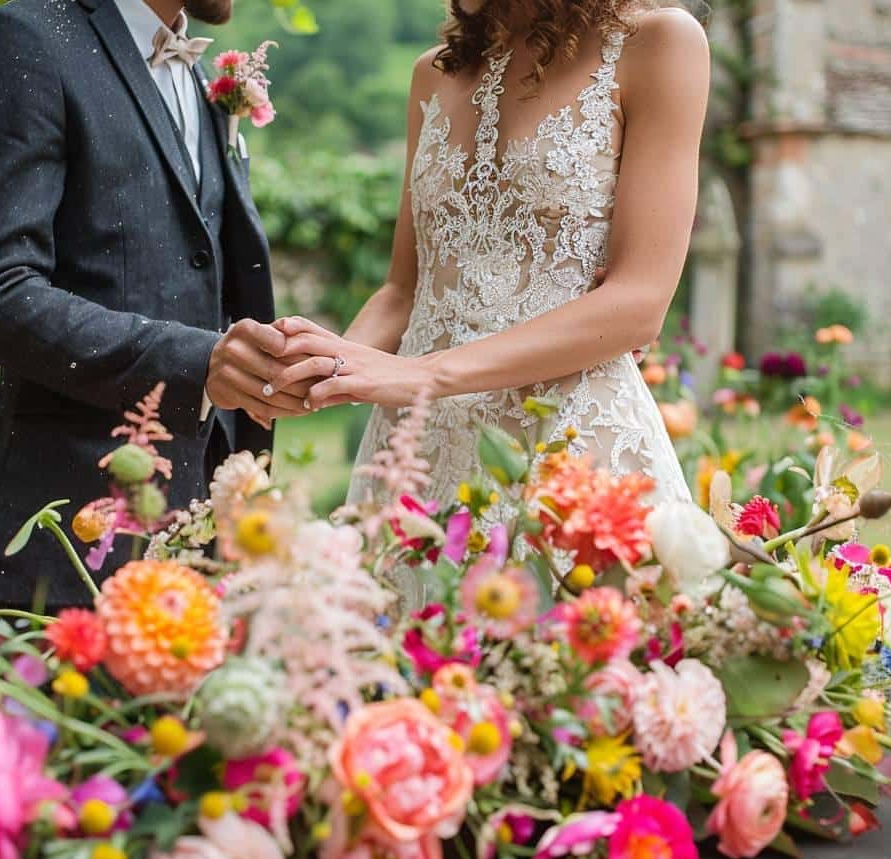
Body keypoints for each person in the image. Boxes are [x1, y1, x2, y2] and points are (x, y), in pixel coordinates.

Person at [265, 0, 705, 507]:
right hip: (415, 461)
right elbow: (404, 291)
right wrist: (324, 368)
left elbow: (639, 303)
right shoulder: (431, 76)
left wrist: (423, 374)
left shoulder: (657, 43)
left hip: (569, 453)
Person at [0, 0, 308, 608]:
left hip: (205, 536)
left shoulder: (198, 77)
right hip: (68, 541)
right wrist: (199, 362)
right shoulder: (20, 42)